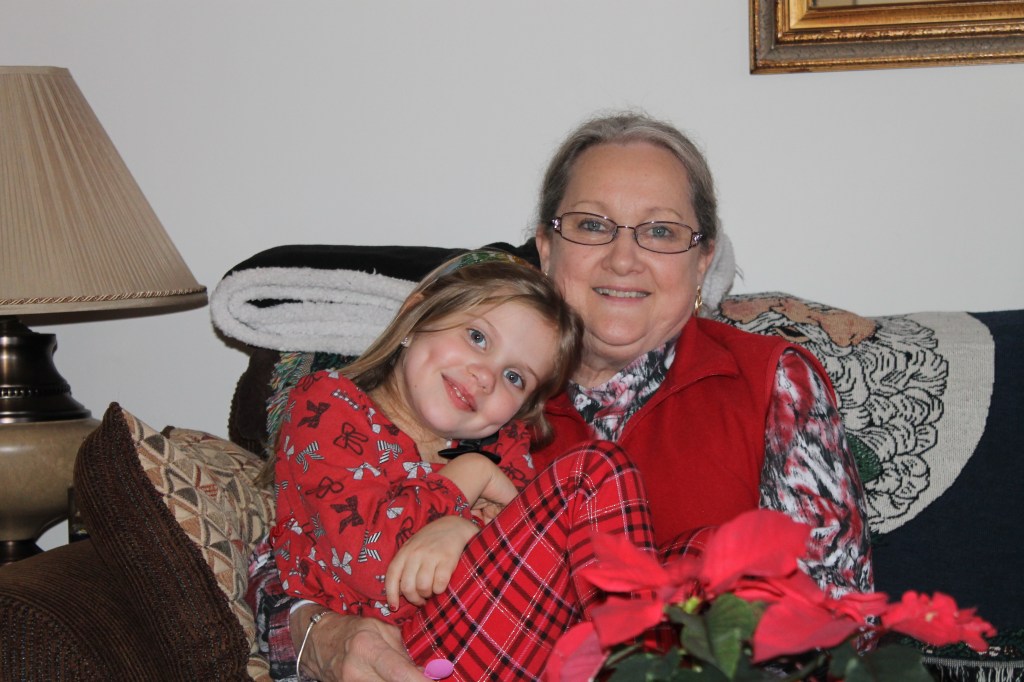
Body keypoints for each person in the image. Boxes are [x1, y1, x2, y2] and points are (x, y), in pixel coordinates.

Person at [246, 111, 874, 682]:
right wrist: (319, 636)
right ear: (546, 248)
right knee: (588, 479)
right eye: (592, 225)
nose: (623, 258)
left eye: (660, 231)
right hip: (451, 652)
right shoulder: (477, 402)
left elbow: (842, 621)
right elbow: (294, 546)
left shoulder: (772, 379)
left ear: (703, 260)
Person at [267, 250, 661, 681]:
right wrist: (469, 475)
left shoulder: (504, 444)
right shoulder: (327, 406)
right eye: (477, 337)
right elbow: (373, 565)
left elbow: (530, 545)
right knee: (594, 470)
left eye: (514, 377)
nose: (485, 376)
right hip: (400, 653)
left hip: (510, 640)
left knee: (699, 553)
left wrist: (463, 530)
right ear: (417, 317)